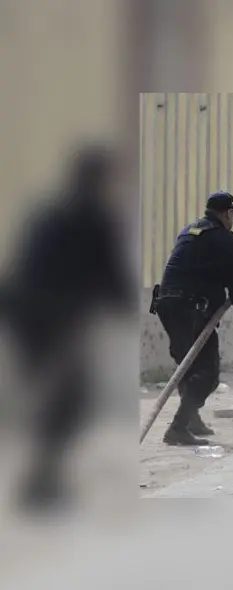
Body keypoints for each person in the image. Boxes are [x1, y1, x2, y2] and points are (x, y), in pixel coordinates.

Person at [0, 145, 134, 509]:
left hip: (22, 310)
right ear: (99, 179)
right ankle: (41, 482)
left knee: (50, 392)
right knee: (71, 397)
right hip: (52, 315)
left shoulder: (48, 211)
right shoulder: (95, 218)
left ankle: (41, 475)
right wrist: (128, 305)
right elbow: (112, 278)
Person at [150, 191, 233, 446]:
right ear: (225, 213)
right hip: (190, 308)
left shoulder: (191, 230)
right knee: (207, 373)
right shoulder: (226, 240)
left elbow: (207, 270)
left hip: (168, 304)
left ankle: (190, 419)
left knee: (188, 369)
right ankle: (177, 428)